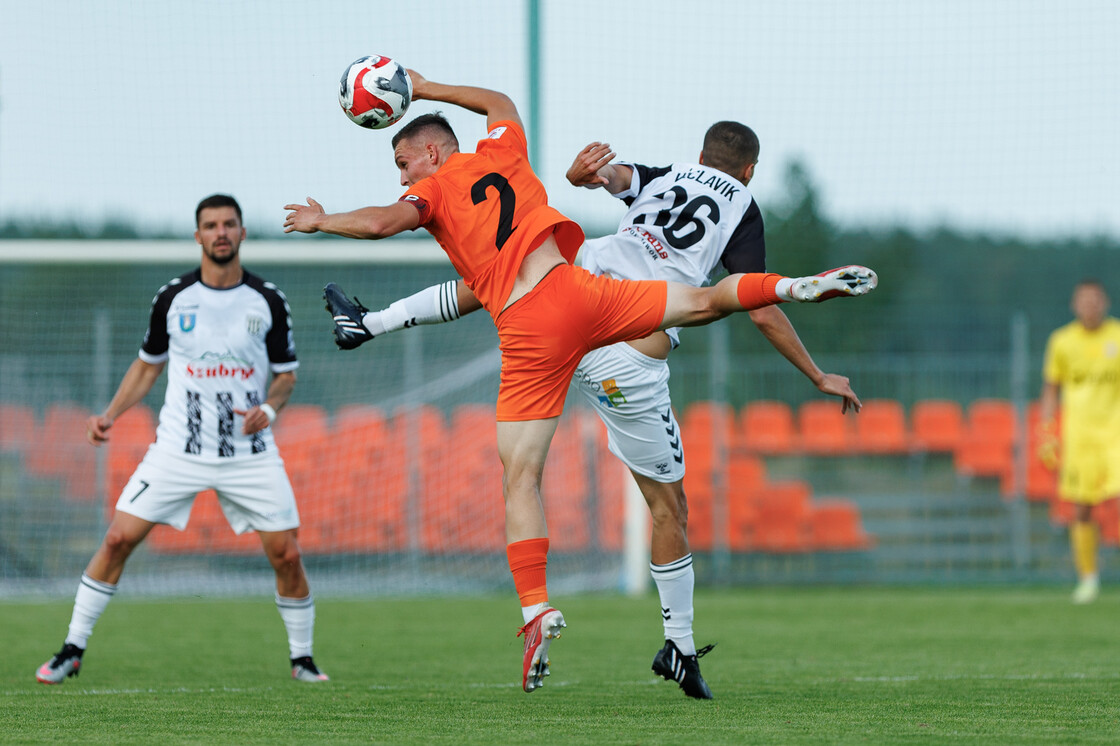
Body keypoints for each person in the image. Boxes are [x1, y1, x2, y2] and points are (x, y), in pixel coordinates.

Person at [283, 70, 877, 693]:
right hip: (611, 325)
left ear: (700, 157)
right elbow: (501, 104)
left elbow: (598, 176)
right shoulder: (510, 153)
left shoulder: (665, 174)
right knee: (671, 486)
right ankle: (678, 646)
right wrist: (815, 374)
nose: (403, 175)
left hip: (554, 307)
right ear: (749, 172)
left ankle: (535, 605)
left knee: (517, 451)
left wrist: (324, 219)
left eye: (405, 163)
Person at [36, 194, 328, 685]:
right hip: (177, 449)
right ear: (197, 235)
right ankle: (71, 648)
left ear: (242, 233)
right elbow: (148, 366)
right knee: (116, 539)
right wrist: (109, 414)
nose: (220, 233)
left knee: (288, 555)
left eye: (229, 224)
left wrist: (272, 408)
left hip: (247, 453)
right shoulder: (173, 298)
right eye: (210, 225)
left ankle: (302, 659)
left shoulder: (268, 300)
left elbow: (286, 376)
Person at [1038, 279, 1120, 604]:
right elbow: (1050, 388)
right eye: (1084, 301)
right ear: (1075, 305)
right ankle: (1088, 579)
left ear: (1106, 303)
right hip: (1079, 438)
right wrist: (1046, 429)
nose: (1090, 306)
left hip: (1115, 435)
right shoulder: (1061, 340)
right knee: (1082, 508)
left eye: (1095, 300)